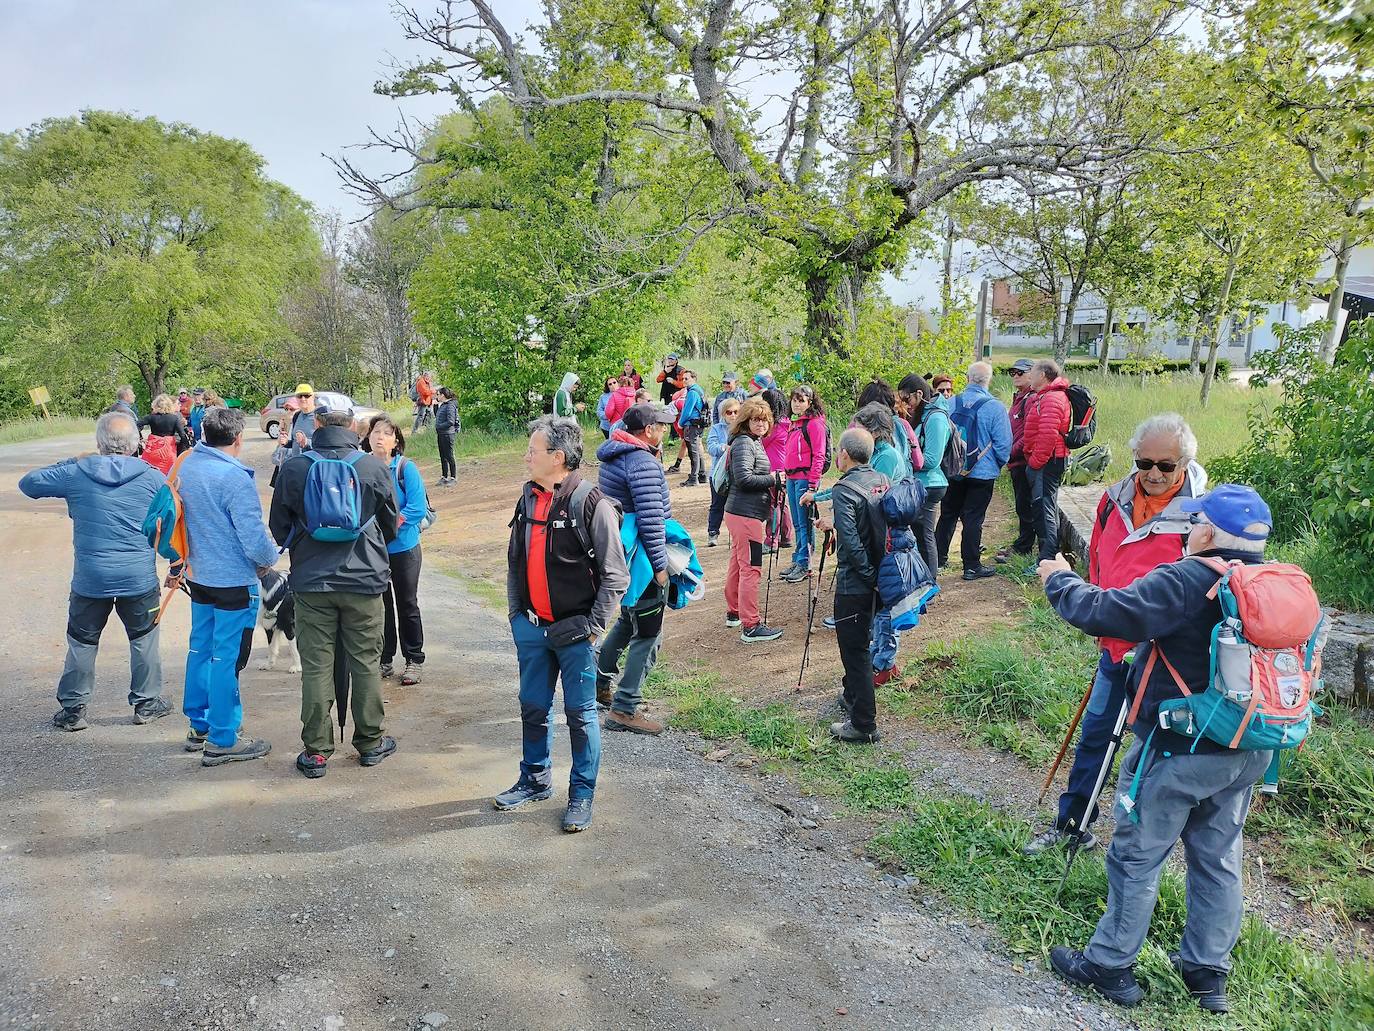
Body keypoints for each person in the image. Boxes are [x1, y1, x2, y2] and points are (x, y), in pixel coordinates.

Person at [1038, 484, 1277, 1015]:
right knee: (1218, 859)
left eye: (1195, 523)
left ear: (1210, 532)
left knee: (1136, 855)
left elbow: (1108, 612)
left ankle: (1110, 965)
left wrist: (1059, 581)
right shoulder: (1268, 583)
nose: (1188, 531)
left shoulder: (1193, 578)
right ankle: (1206, 974)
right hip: (1248, 749)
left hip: (1178, 748)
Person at [1024, 414, 1207, 856]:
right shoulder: (1112, 501)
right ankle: (1072, 826)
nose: (1154, 474)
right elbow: (1099, 563)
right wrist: (1101, 618)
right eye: (1144, 463)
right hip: (1117, 647)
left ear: (1184, 462)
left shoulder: (1202, 516)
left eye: (1166, 465)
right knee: (1096, 736)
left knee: (1159, 753)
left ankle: (1147, 849)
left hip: (1169, 662)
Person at [500, 416, 629, 832]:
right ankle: (535, 779)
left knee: (580, 713)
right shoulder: (528, 500)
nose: (526, 456)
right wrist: (517, 615)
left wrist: (593, 627)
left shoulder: (591, 503)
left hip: (576, 633)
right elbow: (515, 561)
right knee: (534, 706)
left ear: (557, 457)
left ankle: (581, 793)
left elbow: (616, 575)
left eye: (532, 450)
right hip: (532, 629)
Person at [19, 412, 170, 731]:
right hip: (137, 577)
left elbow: (29, 483)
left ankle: (74, 710)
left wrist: (73, 459)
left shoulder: (76, 472)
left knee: (82, 642)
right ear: (135, 444)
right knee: (144, 639)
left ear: (99, 443)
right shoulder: (152, 476)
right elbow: (171, 521)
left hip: (91, 578)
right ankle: (146, 704)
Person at [270, 411, 400, 778]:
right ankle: (370, 743)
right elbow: (390, 526)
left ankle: (316, 751)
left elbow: (279, 529)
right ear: (355, 431)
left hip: (312, 583)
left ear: (318, 429)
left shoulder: (295, 468)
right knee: (365, 662)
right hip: (365, 581)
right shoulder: (373, 468)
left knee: (316, 666)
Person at [176, 406, 281, 764]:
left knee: (200, 649)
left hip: (200, 575)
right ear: (238, 439)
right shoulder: (234, 477)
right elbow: (253, 538)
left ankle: (199, 725)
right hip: (233, 580)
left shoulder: (189, 464)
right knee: (227, 657)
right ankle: (223, 738)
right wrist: (272, 558)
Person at [595, 403, 675, 733]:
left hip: (621, 554)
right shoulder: (642, 462)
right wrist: (660, 566)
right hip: (642, 559)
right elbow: (650, 520)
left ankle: (598, 680)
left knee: (629, 620)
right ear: (647, 430)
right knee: (649, 633)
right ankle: (624, 709)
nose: (666, 430)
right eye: (662, 425)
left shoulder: (615, 453)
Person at [815, 428, 888, 743]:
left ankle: (863, 724)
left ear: (844, 453)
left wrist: (867, 575)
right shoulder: (881, 480)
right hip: (882, 577)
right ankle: (851, 695)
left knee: (854, 650)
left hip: (856, 582)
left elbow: (851, 539)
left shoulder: (844, 489)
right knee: (863, 642)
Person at [361, 414, 428, 686]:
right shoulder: (362, 466)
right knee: (381, 606)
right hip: (374, 550)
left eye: (387, 433)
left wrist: (389, 524)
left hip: (404, 548)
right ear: (368, 437)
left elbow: (417, 507)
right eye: (376, 431)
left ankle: (414, 660)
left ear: (396, 440)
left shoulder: (405, 468)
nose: (379, 436)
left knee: (407, 604)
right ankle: (384, 659)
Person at [935, 361, 1012, 580]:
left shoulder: (951, 403)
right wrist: (996, 464)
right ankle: (971, 566)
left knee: (948, 514)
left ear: (968, 378)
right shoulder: (995, 407)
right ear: (988, 380)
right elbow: (1004, 444)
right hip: (983, 472)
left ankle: (938, 559)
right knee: (973, 518)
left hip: (954, 470)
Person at [723, 397, 786, 642]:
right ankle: (751, 625)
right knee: (752, 567)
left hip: (742, 513)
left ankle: (734, 612)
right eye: (756, 419)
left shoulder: (752, 441)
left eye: (765, 420)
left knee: (738, 564)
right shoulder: (743, 444)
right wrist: (774, 479)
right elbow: (744, 479)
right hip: (745, 515)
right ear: (745, 420)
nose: (761, 424)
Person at [1023, 359, 1073, 561]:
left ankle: (1048, 558)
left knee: (1044, 509)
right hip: (1048, 460)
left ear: (1043, 375)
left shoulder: (1051, 399)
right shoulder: (1047, 396)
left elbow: (1047, 435)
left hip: (1047, 461)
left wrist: (1034, 463)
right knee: (1046, 507)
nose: (1029, 376)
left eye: (1032, 372)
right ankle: (1050, 554)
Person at [904, 374, 949, 578]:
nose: (906, 404)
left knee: (924, 535)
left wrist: (904, 462)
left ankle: (929, 582)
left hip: (931, 484)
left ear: (919, 394)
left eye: (907, 399)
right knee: (919, 535)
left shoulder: (936, 417)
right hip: (921, 483)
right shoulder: (924, 415)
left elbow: (932, 459)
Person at [782, 385, 827, 584]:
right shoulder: (795, 423)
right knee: (797, 522)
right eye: (794, 400)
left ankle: (805, 563)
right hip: (792, 478)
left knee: (804, 522)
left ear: (810, 402)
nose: (797, 404)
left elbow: (819, 454)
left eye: (801, 400)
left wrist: (812, 485)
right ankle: (798, 558)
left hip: (804, 478)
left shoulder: (814, 424)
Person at [997, 358, 1037, 563]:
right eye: (1013, 372)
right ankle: (1023, 543)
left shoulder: (1030, 399)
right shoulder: (1020, 398)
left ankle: (1024, 548)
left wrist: (1010, 452)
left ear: (1033, 374)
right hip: (1016, 460)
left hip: (1022, 460)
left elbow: (1028, 434)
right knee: (1022, 505)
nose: (1015, 376)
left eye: (1020, 372)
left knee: (1025, 506)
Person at [705, 396, 742, 546]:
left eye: (736, 412)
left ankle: (737, 534)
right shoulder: (716, 428)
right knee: (717, 504)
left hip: (737, 473)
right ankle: (713, 533)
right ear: (723, 414)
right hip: (719, 474)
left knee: (737, 505)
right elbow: (711, 447)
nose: (733, 415)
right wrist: (723, 448)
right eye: (729, 412)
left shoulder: (743, 429)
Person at [760, 387, 793, 553]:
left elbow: (761, 443)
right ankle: (786, 537)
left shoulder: (774, 427)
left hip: (774, 470)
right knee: (782, 504)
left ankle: (771, 541)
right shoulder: (788, 423)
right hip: (785, 469)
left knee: (773, 505)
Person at [138, 393, 193, 474]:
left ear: (155, 405)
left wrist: (140, 438)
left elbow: (136, 424)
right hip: (168, 449)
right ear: (169, 405)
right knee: (168, 473)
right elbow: (182, 434)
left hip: (152, 447)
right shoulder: (174, 418)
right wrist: (187, 446)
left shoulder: (151, 417)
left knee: (149, 471)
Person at [676, 368, 708, 487]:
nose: (684, 381)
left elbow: (687, 411)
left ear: (693, 379)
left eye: (686, 378)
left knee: (693, 450)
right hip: (698, 423)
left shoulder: (692, 392)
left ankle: (694, 478)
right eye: (683, 379)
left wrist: (680, 423)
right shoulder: (699, 390)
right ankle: (702, 475)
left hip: (692, 424)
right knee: (697, 450)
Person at [435, 387, 460, 485]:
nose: (437, 396)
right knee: (442, 456)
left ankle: (453, 477)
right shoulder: (443, 405)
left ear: (443, 395)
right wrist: (435, 406)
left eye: (438, 394)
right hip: (441, 433)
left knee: (449, 455)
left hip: (447, 434)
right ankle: (444, 476)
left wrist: (439, 426)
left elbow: (450, 421)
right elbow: (438, 416)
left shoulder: (450, 405)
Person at [289, 383, 319, 456]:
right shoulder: (296, 415)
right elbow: (294, 442)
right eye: (299, 396)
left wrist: (307, 442)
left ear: (313, 397)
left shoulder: (319, 416)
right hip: (297, 462)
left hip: (313, 464)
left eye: (306, 396)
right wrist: (285, 442)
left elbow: (326, 444)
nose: (303, 399)